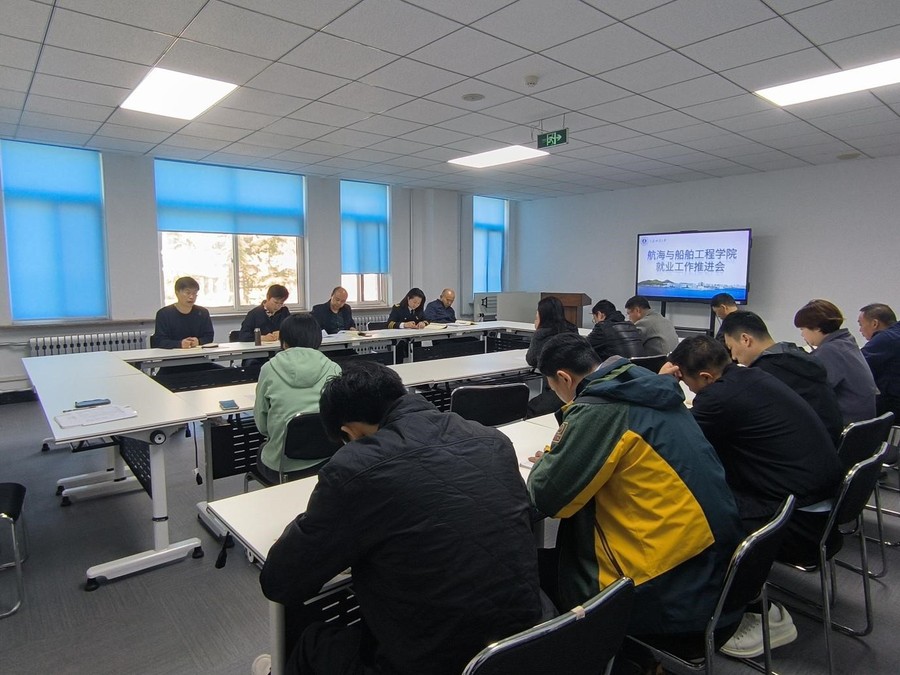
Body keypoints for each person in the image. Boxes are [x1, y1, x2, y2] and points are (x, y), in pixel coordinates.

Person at [258, 360, 544, 675]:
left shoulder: (354, 470)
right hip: (524, 645)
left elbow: (279, 582)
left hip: (434, 662)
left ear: (349, 431)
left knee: (310, 639)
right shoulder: (491, 440)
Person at [527, 333, 743, 670]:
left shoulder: (601, 410)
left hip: (670, 597)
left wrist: (554, 459)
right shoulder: (645, 389)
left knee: (534, 571)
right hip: (717, 575)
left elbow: (547, 497)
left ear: (564, 378)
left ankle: (617, 661)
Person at [665, 336, 843, 659]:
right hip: (819, 508)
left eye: (687, 383)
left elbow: (676, 440)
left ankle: (743, 612)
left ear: (705, 377)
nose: (689, 390)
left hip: (795, 522)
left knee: (694, 509)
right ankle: (757, 603)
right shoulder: (752, 376)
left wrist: (662, 385)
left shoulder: (718, 398)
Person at [720, 311, 844, 445]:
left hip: (802, 447)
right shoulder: (797, 356)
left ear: (745, 340)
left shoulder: (764, 374)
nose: (733, 356)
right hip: (828, 443)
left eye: (731, 348)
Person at [253, 314, 341, 485]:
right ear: (317, 339)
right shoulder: (334, 368)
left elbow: (262, 426)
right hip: (328, 461)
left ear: (284, 341)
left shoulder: (268, 369)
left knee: (264, 449)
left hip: (283, 467)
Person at [794, 299, 877, 424]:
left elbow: (811, 390)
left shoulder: (830, 350)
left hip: (845, 422)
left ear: (816, 328)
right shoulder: (846, 342)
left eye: (802, 329)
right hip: (863, 422)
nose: (802, 335)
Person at [525, 296, 578, 417]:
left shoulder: (542, 334)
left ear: (542, 316)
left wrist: (537, 329)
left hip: (557, 392)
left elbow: (531, 359)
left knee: (529, 409)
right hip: (577, 390)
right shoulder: (572, 329)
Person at [859, 303, 900, 418]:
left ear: (875, 323)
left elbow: (857, 365)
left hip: (893, 408)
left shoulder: (885, 339)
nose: (860, 330)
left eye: (861, 324)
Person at [152, 276, 214, 349]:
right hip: (172, 354)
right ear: (177, 293)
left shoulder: (203, 313)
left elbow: (209, 336)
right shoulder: (164, 314)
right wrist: (179, 344)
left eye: (194, 293)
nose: (191, 297)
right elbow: (159, 341)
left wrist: (199, 341)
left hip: (198, 353)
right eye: (188, 293)